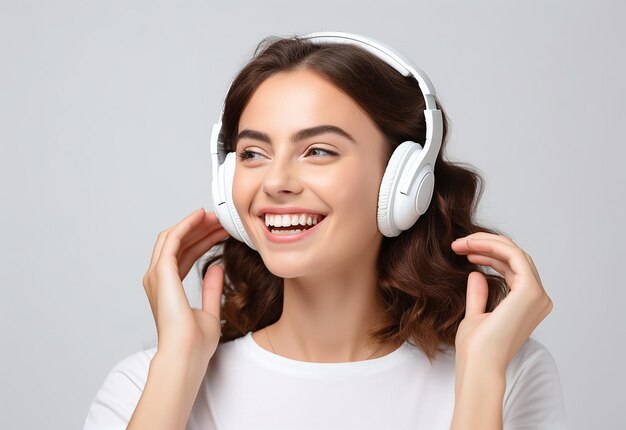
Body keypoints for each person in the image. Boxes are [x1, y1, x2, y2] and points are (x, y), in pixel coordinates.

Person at [84, 32, 567, 430]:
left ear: (403, 181)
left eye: (318, 151)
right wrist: (177, 369)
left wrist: (480, 379)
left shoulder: (506, 370)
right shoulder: (145, 386)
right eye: (254, 153)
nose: (274, 182)